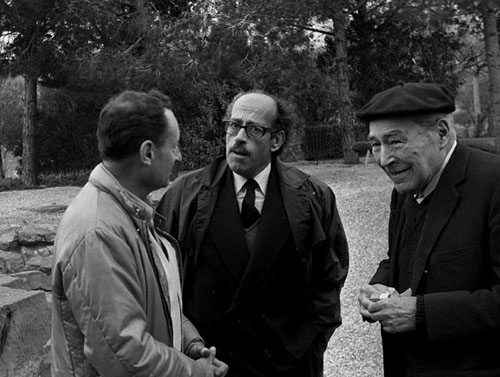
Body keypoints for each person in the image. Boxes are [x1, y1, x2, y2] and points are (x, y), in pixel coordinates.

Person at [157, 90, 349, 377]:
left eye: (254, 129)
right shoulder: (184, 197)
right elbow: (162, 284)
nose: (238, 137)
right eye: (233, 125)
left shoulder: (313, 197)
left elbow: (330, 277)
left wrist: (309, 345)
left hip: (287, 365)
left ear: (277, 140)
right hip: (213, 364)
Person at [51, 89, 228, 377]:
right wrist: (195, 372)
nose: (179, 156)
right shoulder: (98, 232)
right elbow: (125, 354)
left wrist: (190, 342)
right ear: (147, 152)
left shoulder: (130, 212)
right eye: (174, 146)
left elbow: (154, 300)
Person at [356, 82, 500, 376]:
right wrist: (378, 288)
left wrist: (420, 313)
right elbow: (401, 256)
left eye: (395, 142)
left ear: (442, 133)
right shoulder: (405, 188)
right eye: (375, 144)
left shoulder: (494, 182)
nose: (384, 160)